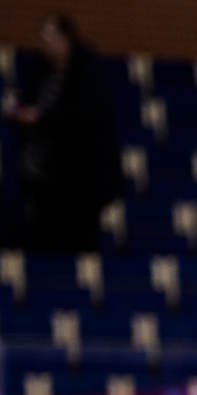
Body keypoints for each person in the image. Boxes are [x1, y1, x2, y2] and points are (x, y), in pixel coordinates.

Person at [2, 14, 120, 253]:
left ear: (66, 40)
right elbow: (29, 107)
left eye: (51, 38)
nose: (45, 45)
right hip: (40, 178)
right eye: (43, 39)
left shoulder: (86, 76)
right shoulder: (40, 74)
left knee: (73, 245)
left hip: (75, 183)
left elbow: (83, 122)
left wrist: (42, 118)